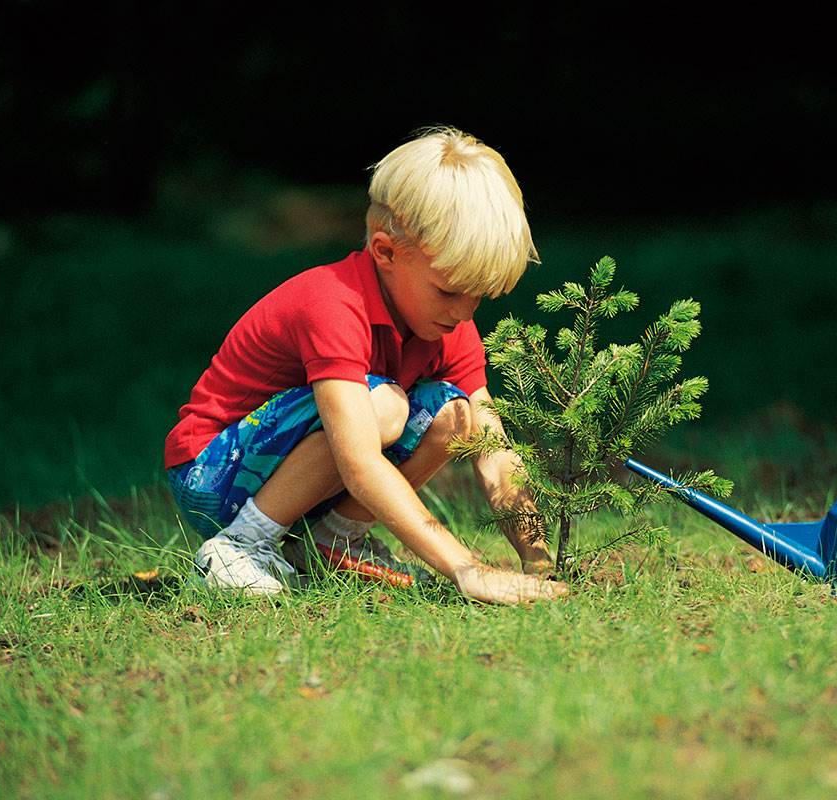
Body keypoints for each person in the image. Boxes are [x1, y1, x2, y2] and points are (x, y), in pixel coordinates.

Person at [164, 127, 566, 605]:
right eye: (449, 290)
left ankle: (332, 542)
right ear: (386, 252)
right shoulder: (333, 304)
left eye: (478, 294)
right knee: (384, 408)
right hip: (213, 472)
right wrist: (466, 569)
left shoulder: (448, 325)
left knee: (459, 416)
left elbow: (493, 450)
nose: (464, 312)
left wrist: (538, 563)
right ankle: (238, 547)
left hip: (289, 475)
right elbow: (357, 462)